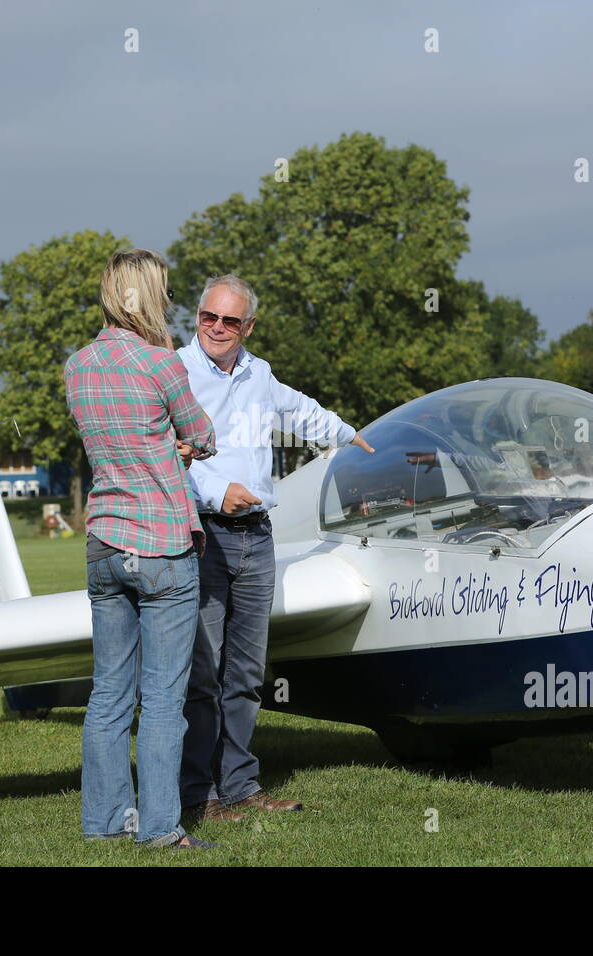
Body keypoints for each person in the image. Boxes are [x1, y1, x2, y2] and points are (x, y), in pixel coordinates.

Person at [177, 274, 373, 823]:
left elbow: (301, 412)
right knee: (203, 673)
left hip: (257, 539)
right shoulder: (175, 372)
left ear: (249, 327)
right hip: (203, 534)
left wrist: (353, 435)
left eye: (230, 321)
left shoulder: (258, 374)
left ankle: (239, 787)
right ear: (197, 317)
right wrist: (218, 492)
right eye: (207, 317)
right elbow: (165, 457)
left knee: (245, 674)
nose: (216, 328)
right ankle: (199, 795)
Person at [64, 249, 217, 849]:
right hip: (159, 545)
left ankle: (103, 822)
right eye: (167, 292)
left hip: (104, 539)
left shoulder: (77, 366)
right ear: (148, 296)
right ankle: (159, 830)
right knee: (162, 701)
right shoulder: (161, 364)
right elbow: (201, 436)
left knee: (107, 693)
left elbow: (109, 442)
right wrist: (177, 446)